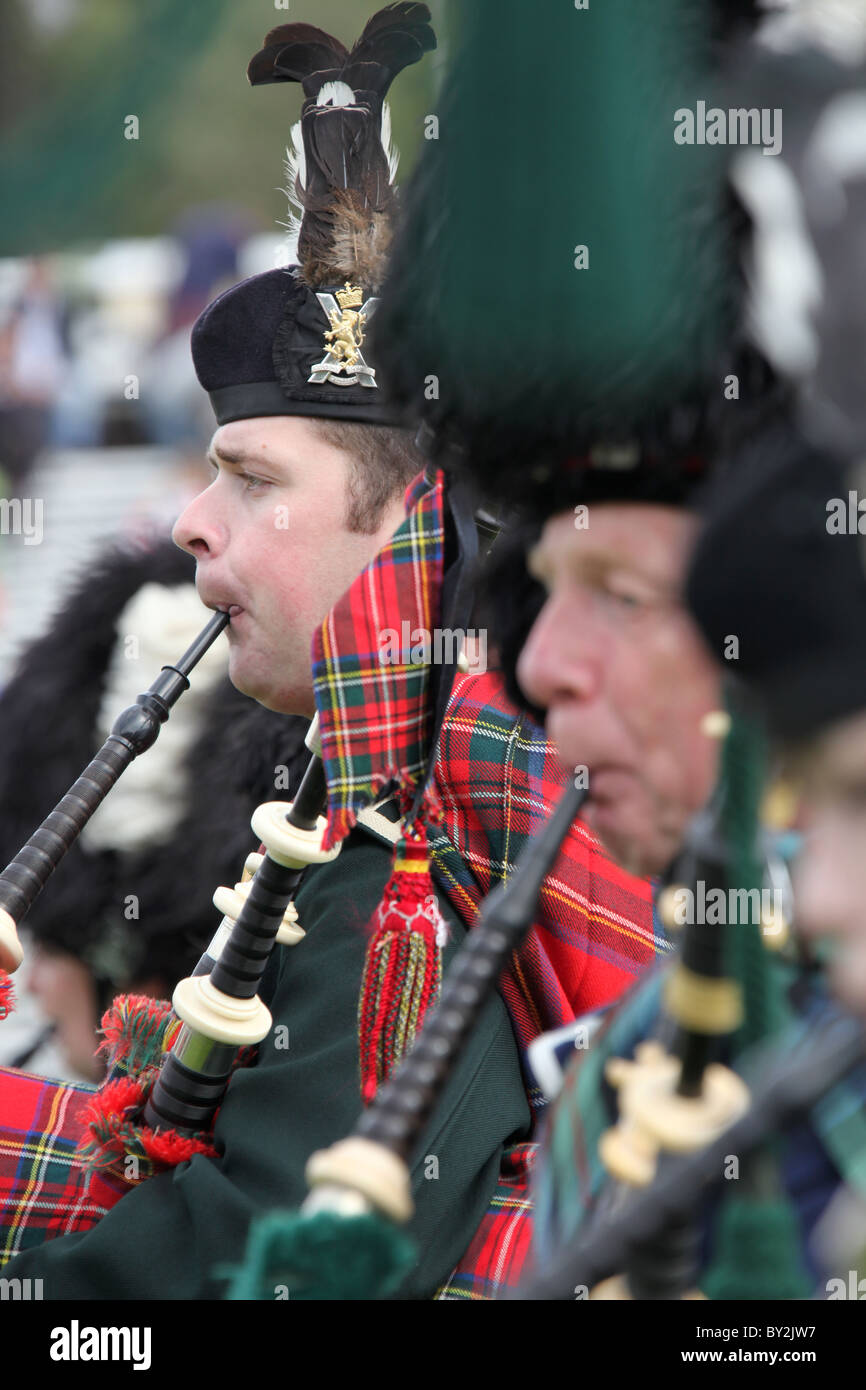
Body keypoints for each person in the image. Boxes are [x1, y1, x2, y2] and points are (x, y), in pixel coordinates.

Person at [0, 6, 656, 1298]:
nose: (190, 522)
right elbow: (197, 1179)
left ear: (407, 520)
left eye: (250, 478)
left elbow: (254, 1274)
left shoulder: (410, 875)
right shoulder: (375, 806)